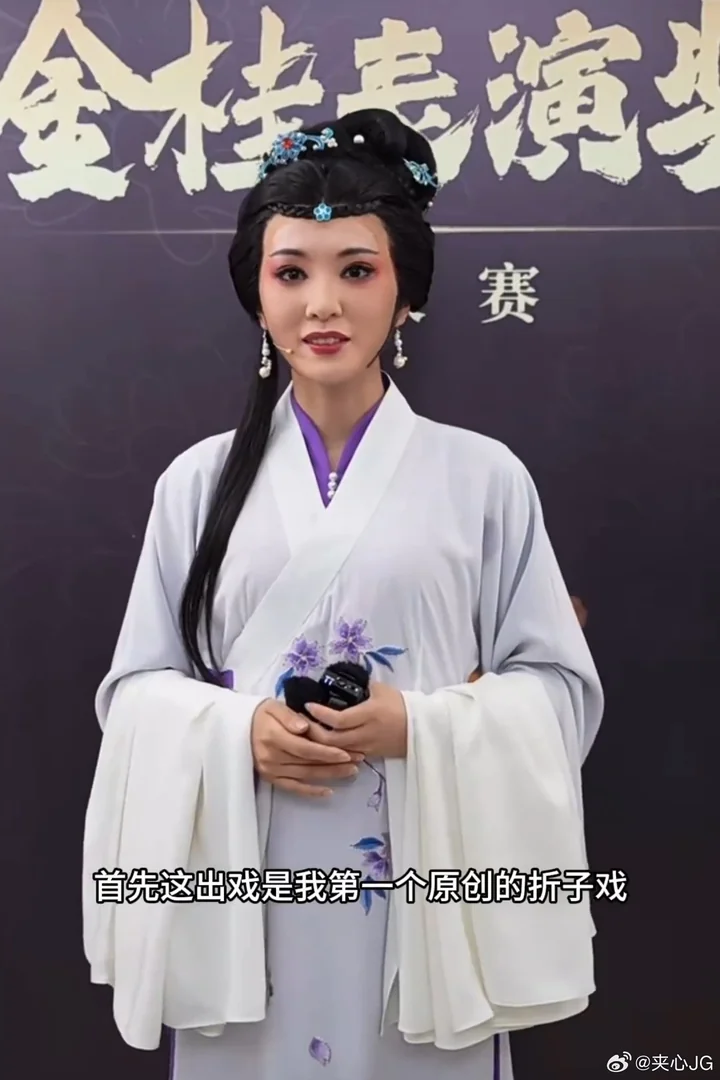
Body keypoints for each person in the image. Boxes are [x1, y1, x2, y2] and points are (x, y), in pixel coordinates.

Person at [83, 108, 603, 1080]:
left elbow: (561, 694)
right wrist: (236, 731)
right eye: (292, 273)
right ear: (258, 291)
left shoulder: (484, 480)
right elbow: (135, 690)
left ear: (405, 292)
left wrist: (422, 726)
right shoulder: (196, 484)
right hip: (244, 891)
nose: (322, 304)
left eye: (356, 270)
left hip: (419, 895)